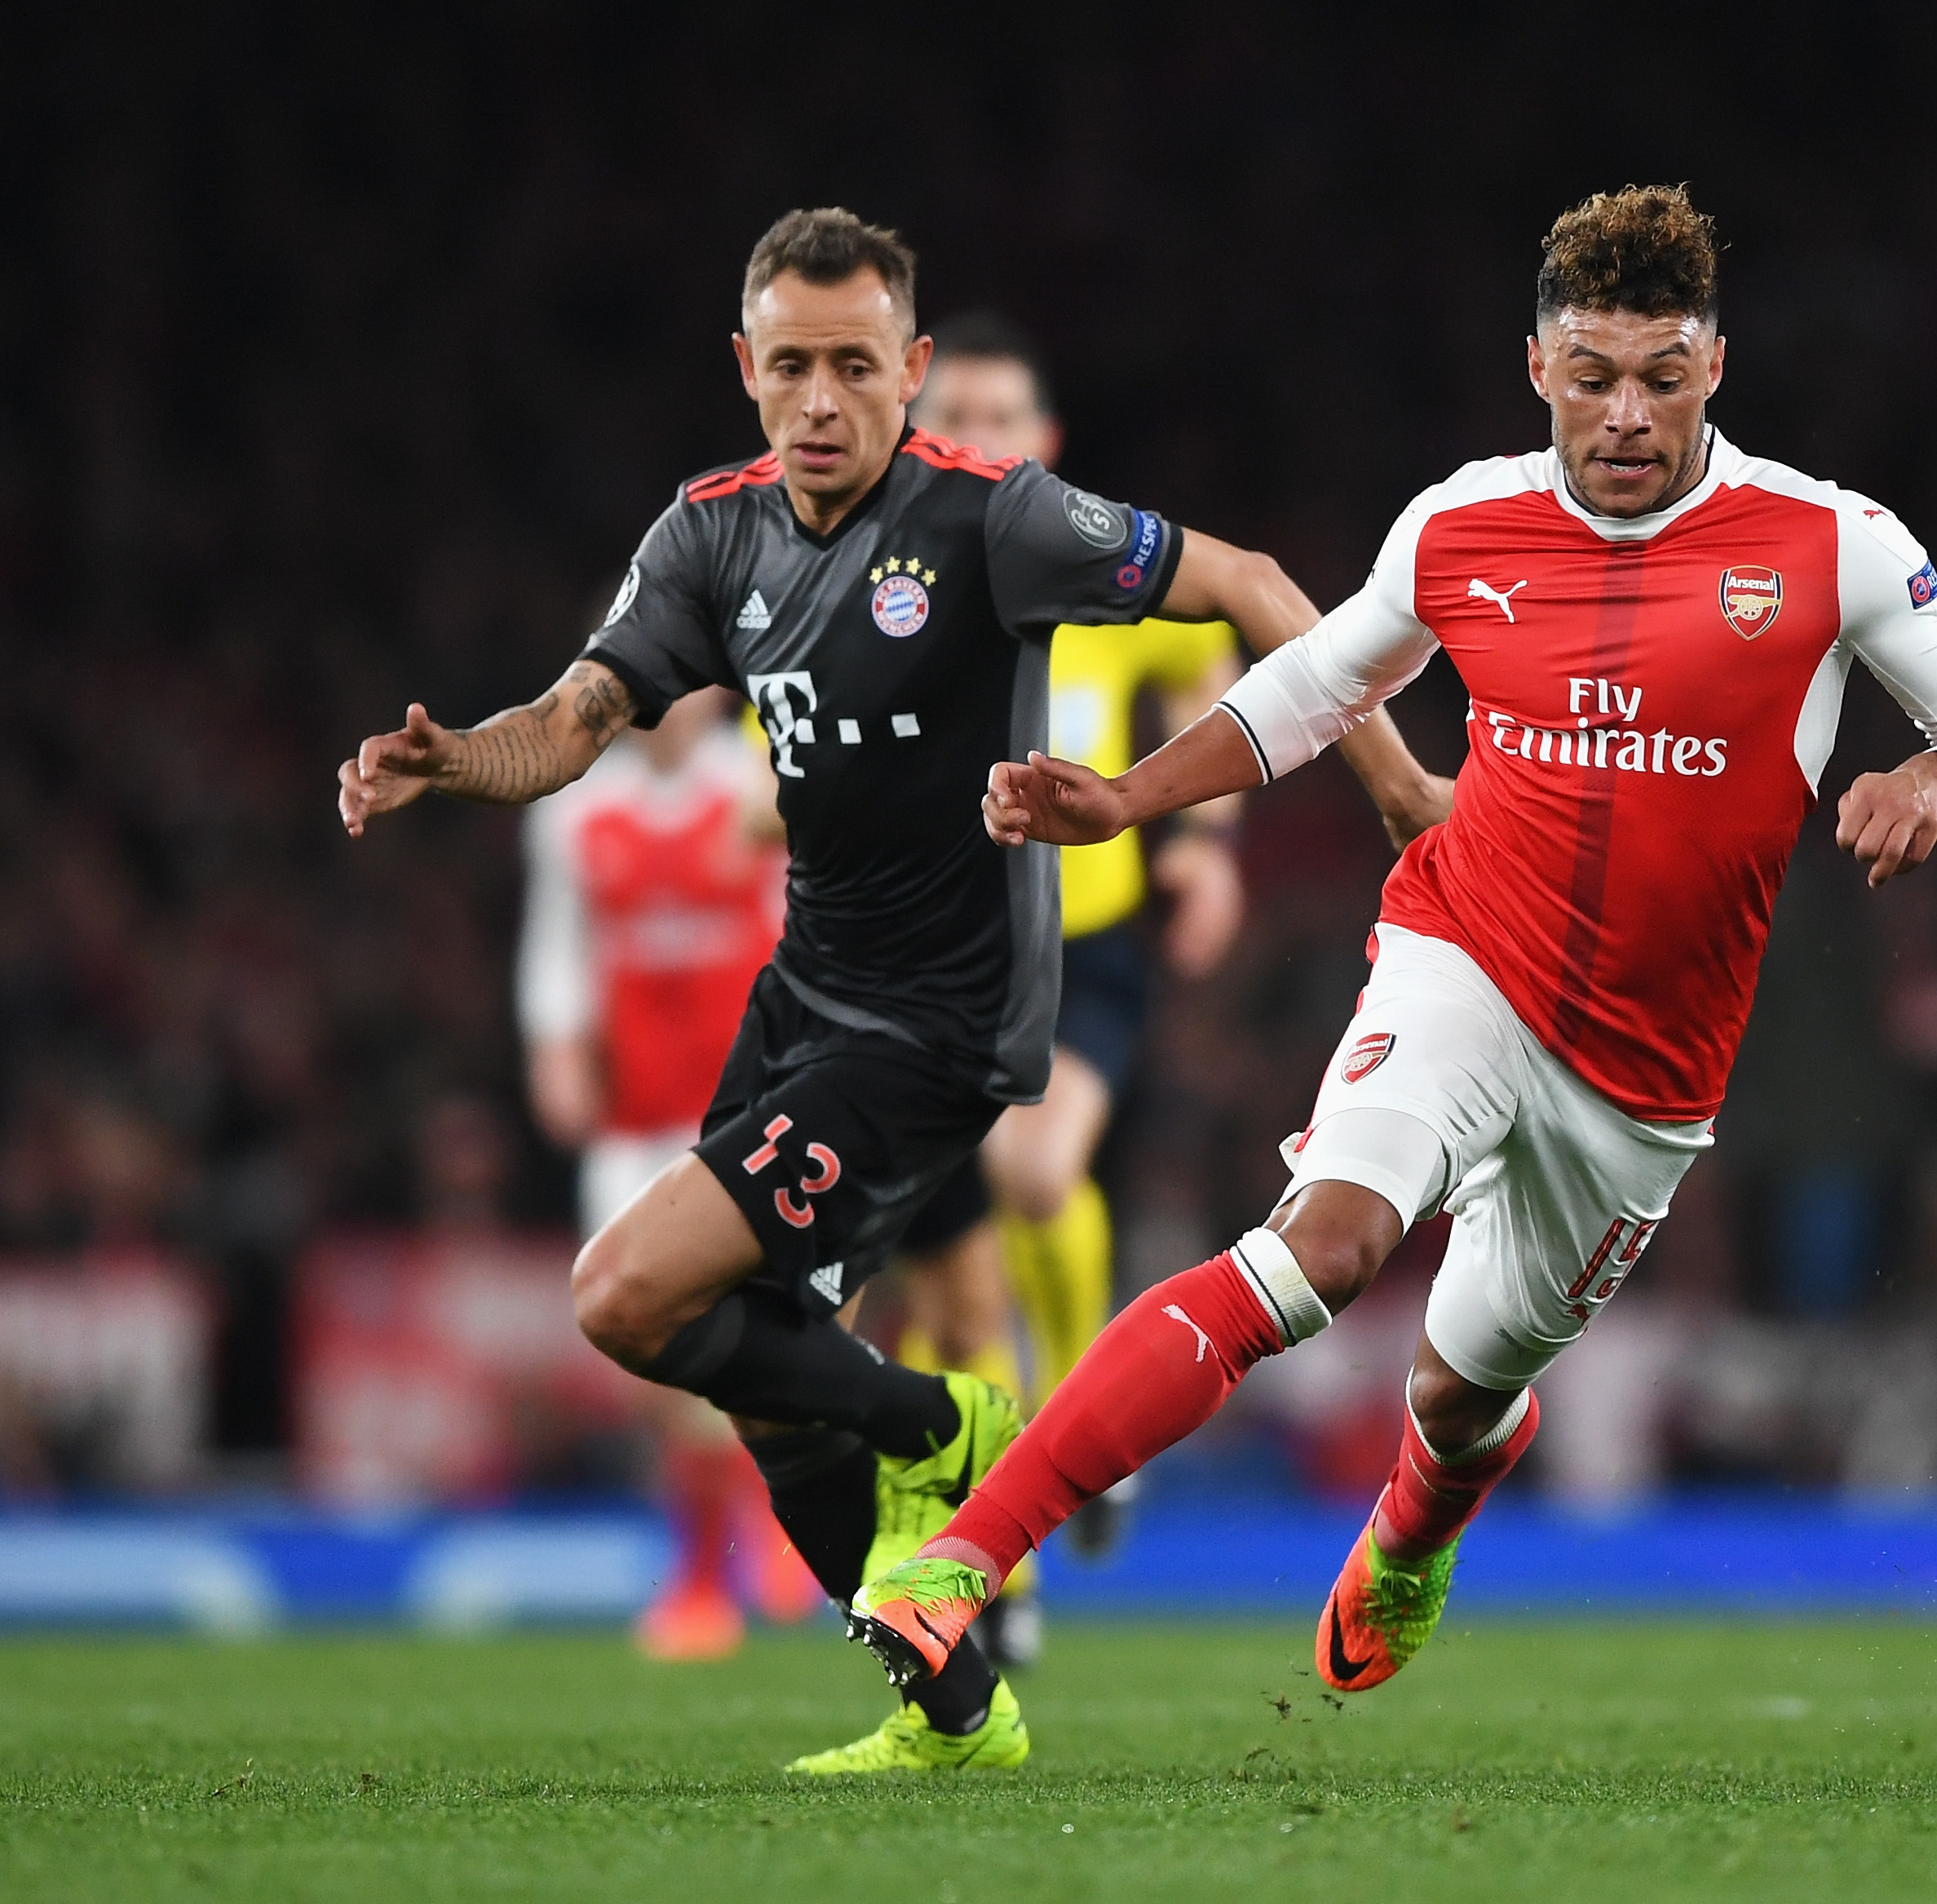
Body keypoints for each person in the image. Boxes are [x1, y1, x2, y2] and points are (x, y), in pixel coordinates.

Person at [856, 184, 1937, 1708]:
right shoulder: (1462, 520)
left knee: (1462, 1380)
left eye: (1661, 377)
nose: (1625, 414)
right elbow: (1312, 686)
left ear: (1714, 368)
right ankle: (967, 1558)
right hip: (1462, 947)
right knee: (1322, 1246)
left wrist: (1933, 776)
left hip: (1641, 1073)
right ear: (1537, 365)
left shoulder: (1827, 544)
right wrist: (1127, 799)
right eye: (1593, 374)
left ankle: (1418, 1520)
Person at [336, 206, 1446, 1773]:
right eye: (787, 365)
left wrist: (1395, 784)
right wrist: (456, 760)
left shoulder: (992, 520)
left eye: (854, 367)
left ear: (909, 370)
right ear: (744, 366)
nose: (816, 401)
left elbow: (1255, 584)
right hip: (808, 994)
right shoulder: (706, 535)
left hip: (945, 1016)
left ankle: (942, 1423)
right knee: (766, 1381)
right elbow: (574, 720)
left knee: (624, 1293)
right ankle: (953, 1709)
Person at [900, 316, 1257, 1577]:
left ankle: (1076, 1417)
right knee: (943, 1269)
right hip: (932, 949)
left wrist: (1203, 844)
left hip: (1082, 937)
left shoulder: (1103, 564)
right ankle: (999, 1533)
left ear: (1042, 443)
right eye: (958, 418)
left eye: (1004, 419)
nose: (980, 439)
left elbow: (1211, 675)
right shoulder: (887, 580)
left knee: (1037, 1177)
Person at [518, 682, 812, 1660]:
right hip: (634, 1120)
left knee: (763, 1325)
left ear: (716, 691)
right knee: (642, 1341)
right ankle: (738, 1525)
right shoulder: (576, 810)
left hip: (746, 1109)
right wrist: (557, 1048)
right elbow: (558, 948)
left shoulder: (758, 791)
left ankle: (707, 1577)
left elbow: (806, 927)